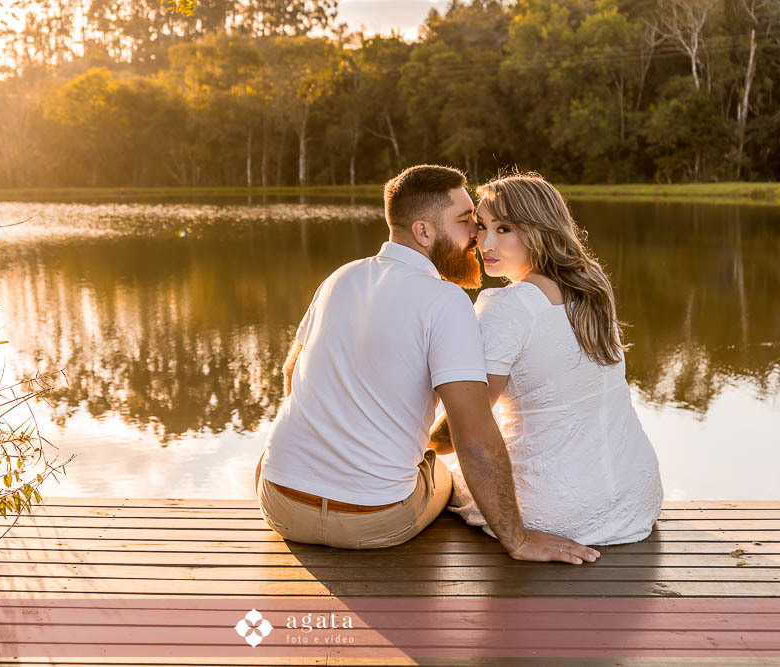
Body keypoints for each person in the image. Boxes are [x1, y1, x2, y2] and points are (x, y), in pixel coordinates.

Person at [255, 164, 600, 565]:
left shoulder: (341, 277)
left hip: (280, 503)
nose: (476, 235)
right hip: (374, 521)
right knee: (443, 474)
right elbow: (473, 438)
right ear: (423, 232)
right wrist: (518, 540)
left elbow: (291, 374)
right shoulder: (446, 302)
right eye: (464, 221)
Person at [436, 172, 663, 545]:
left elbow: (467, 426)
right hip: (635, 496)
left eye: (505, 228)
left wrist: (423, 446)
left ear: (540, 230)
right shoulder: (593, 289)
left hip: (554, 511)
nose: (485, 243)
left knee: (434, 468)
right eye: (481, 227)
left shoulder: (507, 306)